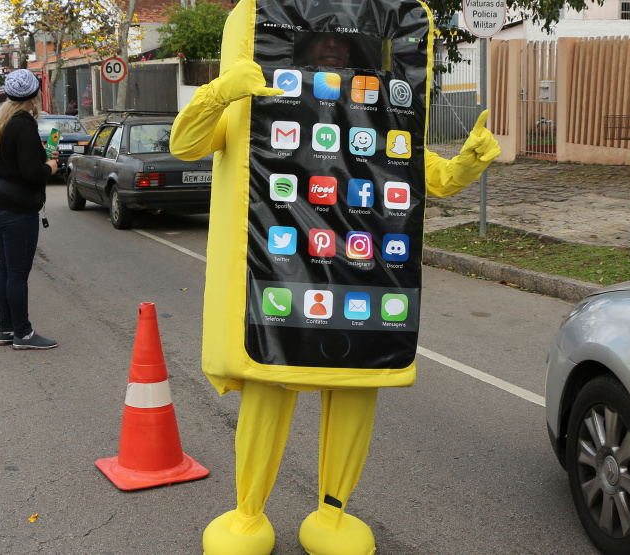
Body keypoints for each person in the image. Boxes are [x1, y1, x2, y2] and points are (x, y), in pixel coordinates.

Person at [169, 2, 501, 553]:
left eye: (342, 46)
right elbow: (185, 144)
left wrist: (466, 163)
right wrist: (220, 91)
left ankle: (332, 513)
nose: (332, 52)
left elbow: (422, 176)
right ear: (300, 48)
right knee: (270, 386)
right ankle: (248, 514)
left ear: (358, 50)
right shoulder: (256, 104)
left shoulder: (378, 116)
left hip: (362, 278)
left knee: (355, 391)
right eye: (320, 44)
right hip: (278, 275)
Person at [0, 69, 59, 349]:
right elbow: (31, 173)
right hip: (17, 206)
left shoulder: (4, 119)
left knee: (6, 269)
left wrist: (40, 155)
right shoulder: (24, 123)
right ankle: (23, 333)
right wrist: (50, 166)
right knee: (17, 274)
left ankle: (6, 329)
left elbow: (17, 162)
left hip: (1, 200)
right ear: (34, 94)